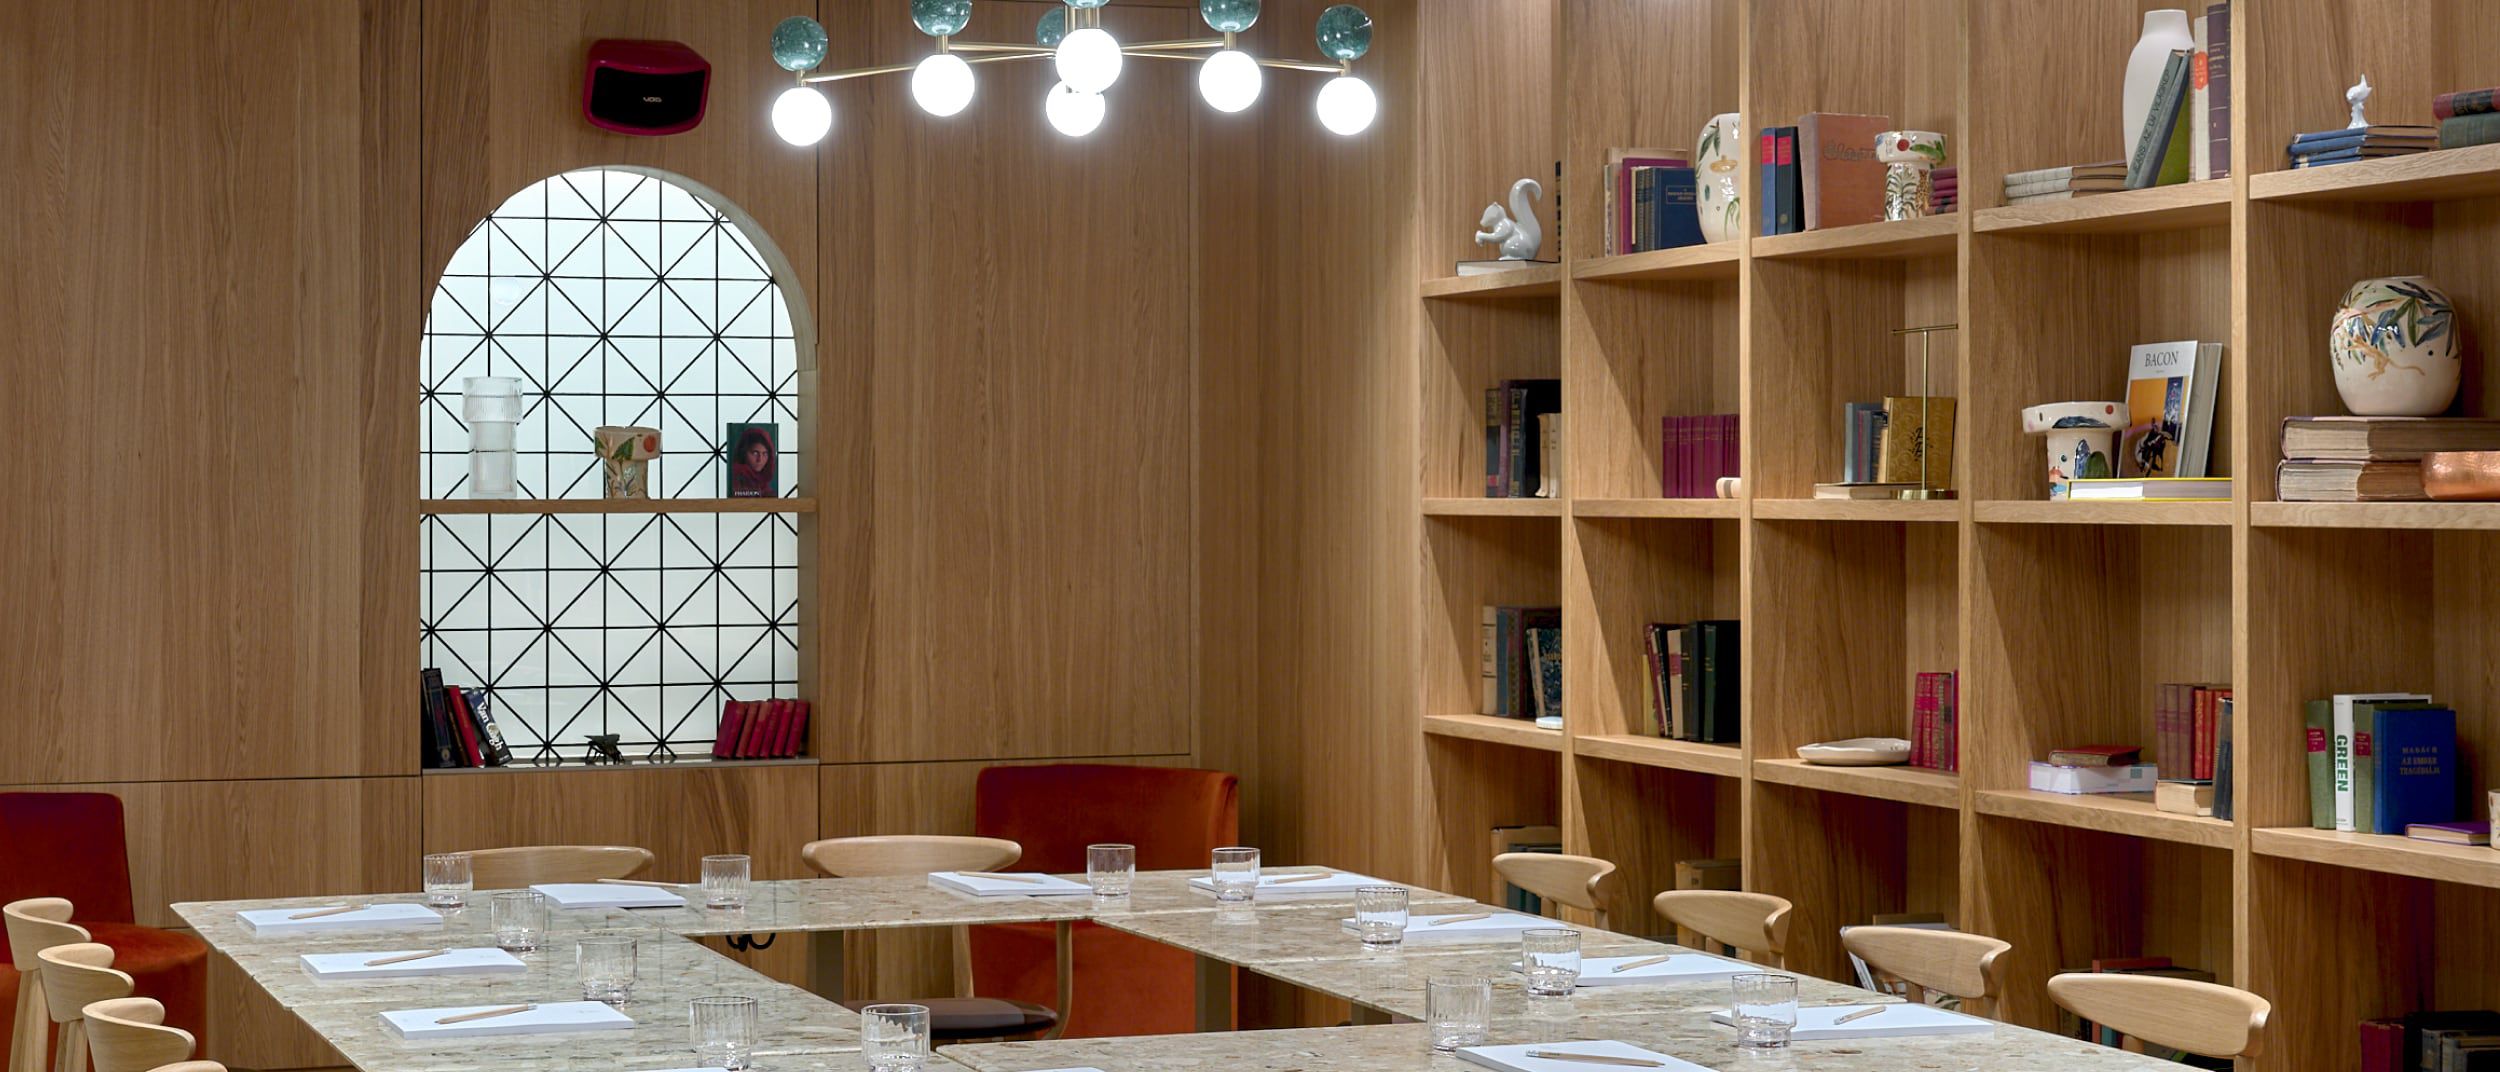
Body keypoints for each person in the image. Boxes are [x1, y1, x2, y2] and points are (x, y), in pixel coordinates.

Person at [728, 426, 776, 497]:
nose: (760, 459)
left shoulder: (764, 485)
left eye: (765, 454)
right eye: (755, 453)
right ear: (743, 453)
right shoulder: (736, 478)